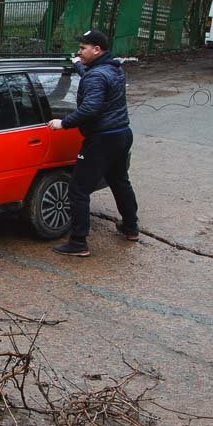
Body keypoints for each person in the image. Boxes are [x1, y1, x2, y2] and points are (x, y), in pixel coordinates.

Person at [47, 29, 139, 257]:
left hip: (101, 139)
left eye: (83, 49)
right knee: (120, 181)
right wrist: (78, 65)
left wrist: (64, 123)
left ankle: (78, 242)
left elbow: (90, 108)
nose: (80, 52)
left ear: (96, 49)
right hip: (122, 135)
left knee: (78, 189)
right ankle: (131, 227)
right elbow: (93, 75)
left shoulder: (96, 76)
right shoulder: (114, 68)